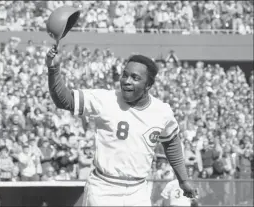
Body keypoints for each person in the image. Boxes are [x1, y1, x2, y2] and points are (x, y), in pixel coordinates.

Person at [46, 45, 197, 206]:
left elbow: (171, 143)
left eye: (135, 77)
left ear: (148, 85)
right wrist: (53, 68)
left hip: (138, 190)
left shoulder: (162, 111)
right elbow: (64, 100)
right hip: (103, 187)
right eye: (124, 75)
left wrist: (183, 179)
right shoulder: (105, 99)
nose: (126, 81)